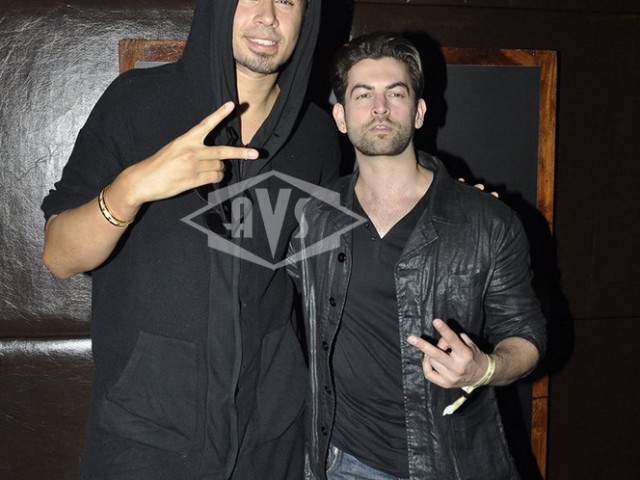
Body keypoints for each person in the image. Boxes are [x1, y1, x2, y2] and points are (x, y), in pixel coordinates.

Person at [41, 1, 340, 478]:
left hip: (268, 434)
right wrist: (131, 188)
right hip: (147, 432)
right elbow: (59, 256)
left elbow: (326, 266)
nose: (268, 16)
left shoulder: (316, 134)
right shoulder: (138, 102)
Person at [287, 32, 547, 480]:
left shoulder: (487, 221)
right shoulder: (312, 217)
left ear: (419, 111)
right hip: (339, 460)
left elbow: (527, 336)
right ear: (341, 117)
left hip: (450, 464)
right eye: (363, 94)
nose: (380, 108)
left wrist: (484, 368)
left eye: (396, 93)